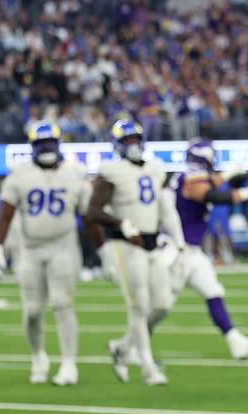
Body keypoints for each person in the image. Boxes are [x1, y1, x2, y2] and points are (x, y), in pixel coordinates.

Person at [0, 120, 90, 386]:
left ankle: (69, 363)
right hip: (30, 248)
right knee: (32, 311)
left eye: (50, 143)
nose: (46, 148)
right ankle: (38, 355)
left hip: (64, 245)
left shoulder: (75, 172)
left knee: (62, 303)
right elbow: (6, 212)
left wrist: (103, 248)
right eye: (41, 144)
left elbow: (89, 213)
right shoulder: (20, 175)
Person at [159, 137, 248, 360]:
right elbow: (207, 194)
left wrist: (228, 174)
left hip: (192, 251)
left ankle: (238, 344)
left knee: (213, 291)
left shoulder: (190, 175)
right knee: (161, 306)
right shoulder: (191, 176)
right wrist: (246, 193)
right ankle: (130, 346)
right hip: (177, 249)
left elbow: (209, 183)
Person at [88, 118, 172, 386]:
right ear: (118, 145)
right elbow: (92, 211)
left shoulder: (157, 168)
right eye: (127, 142)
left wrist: (175, 238)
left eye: (136, 140)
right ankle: (148, 367)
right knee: (139, 306)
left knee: (162, 304)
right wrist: (119, 223)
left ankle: (123, 347)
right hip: (124, 245)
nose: (133, 146)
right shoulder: (111, 172)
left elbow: (164, 207)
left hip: (151, 241)